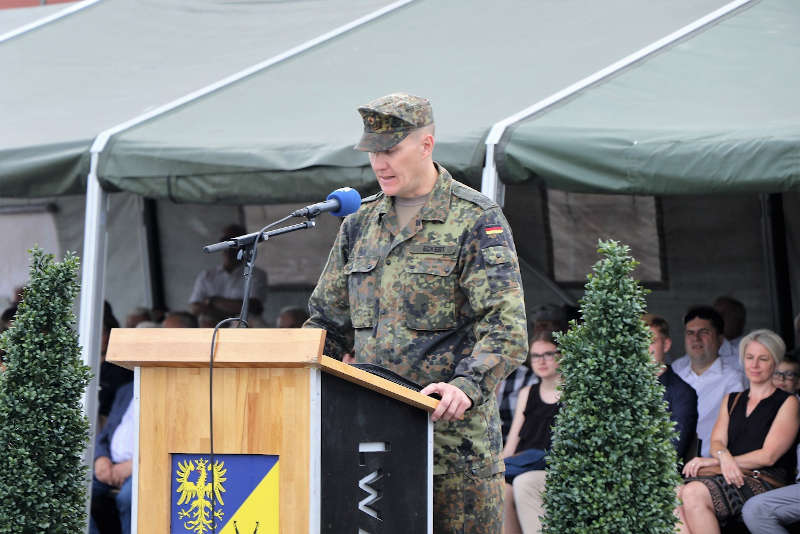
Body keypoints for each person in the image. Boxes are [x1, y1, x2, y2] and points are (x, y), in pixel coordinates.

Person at [304, 92, 528, 533]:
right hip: (370, 445)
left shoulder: (475, 219)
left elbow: (505, 326)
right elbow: (327, 325)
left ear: (426, 145)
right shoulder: (359, 224)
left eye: (390, 150)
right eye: (373, 152)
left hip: (451, 448)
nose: (380, 163)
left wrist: (467, 385)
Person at [676, 329, 799, 534]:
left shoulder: (788, 402)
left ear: (775, 362)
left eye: (763, 359)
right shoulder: (732, 400)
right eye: (750, 357)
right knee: (673, 493)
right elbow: (717, 443)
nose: (754, 365)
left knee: (694, 492)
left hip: (764, 480)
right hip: (728, 474)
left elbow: (768, 456)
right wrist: (723, 458)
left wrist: (718, 461)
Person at [501, 332, 562, 534]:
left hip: (551, 468)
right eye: (535, 356)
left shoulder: (573, 392)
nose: (541, 361)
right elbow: (512, 443)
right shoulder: (527, 392)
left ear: (561, 356)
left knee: (523, 483)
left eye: (548, 354)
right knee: (499, 486)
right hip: (522, 464)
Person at [671, 305, 747, 457]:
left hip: (712, 464)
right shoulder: (675, 372)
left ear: (720, 340)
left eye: (704, 332)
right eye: (690, 333)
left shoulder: (734, 379)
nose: (696, 338)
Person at [189, 223, 268, 323]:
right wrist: (231, 310)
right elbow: (194, 308)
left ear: (245, 244)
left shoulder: (256, 274)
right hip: (211, 327)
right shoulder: (206, 276)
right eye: (225, 241)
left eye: (235, 241)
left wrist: (212, 301)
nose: (229, 246)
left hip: (242, 327)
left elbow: (252, 307)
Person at [644, 314, 697, 460]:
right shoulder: (622, 387)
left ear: (666, 345)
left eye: (651, 341)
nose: (643, 348)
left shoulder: (683, 393)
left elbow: (673, 451)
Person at [90, 381, 134, 534]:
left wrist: (136, 465)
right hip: (111, 464)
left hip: (146, 466)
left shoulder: (165, 391)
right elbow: (105, 435)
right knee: (74, 488)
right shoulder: (127, 390)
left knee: (128, 498)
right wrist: (101, 458)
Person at [713, 296, 746, 363]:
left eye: (723, 314)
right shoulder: (703, 348)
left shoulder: (751, 350)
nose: (717, 319)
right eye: (715, 315)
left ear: (739, 319)